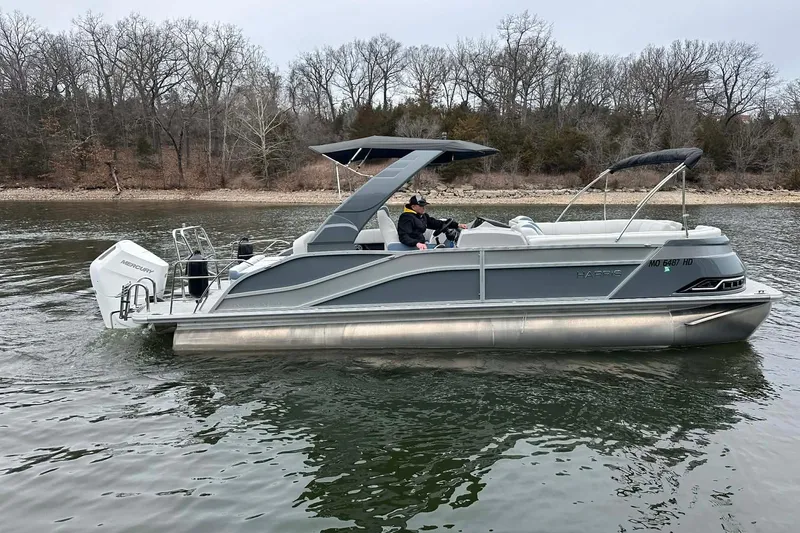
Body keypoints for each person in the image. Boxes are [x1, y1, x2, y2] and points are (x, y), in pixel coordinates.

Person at [397, 194, 468, 250]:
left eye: (424, 205)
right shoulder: (406, 218)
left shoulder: (422, 216)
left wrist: (457, 225)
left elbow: (435, 223)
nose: (423, 208)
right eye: (421, 206)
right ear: (413, 206)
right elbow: (403, 236)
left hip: (422, 245)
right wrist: (417, 244)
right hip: (414, 248)